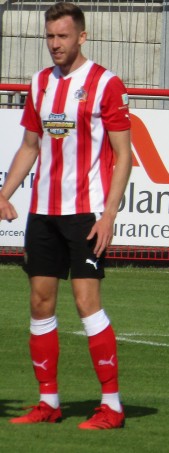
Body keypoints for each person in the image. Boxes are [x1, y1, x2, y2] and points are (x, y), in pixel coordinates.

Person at [0, 2, 131, 430]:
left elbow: (124, 155)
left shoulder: (105, 83)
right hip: (43, 211)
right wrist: (5, 192)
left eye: (63, 36)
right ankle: (48, 402)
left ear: (82, 37)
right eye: (50, 36)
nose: (55, 44)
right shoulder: (39, 83)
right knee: (39, 303)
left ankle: (111, 406)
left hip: (85, 211)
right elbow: (30, 146)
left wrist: (109, 215)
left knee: (86, 304)